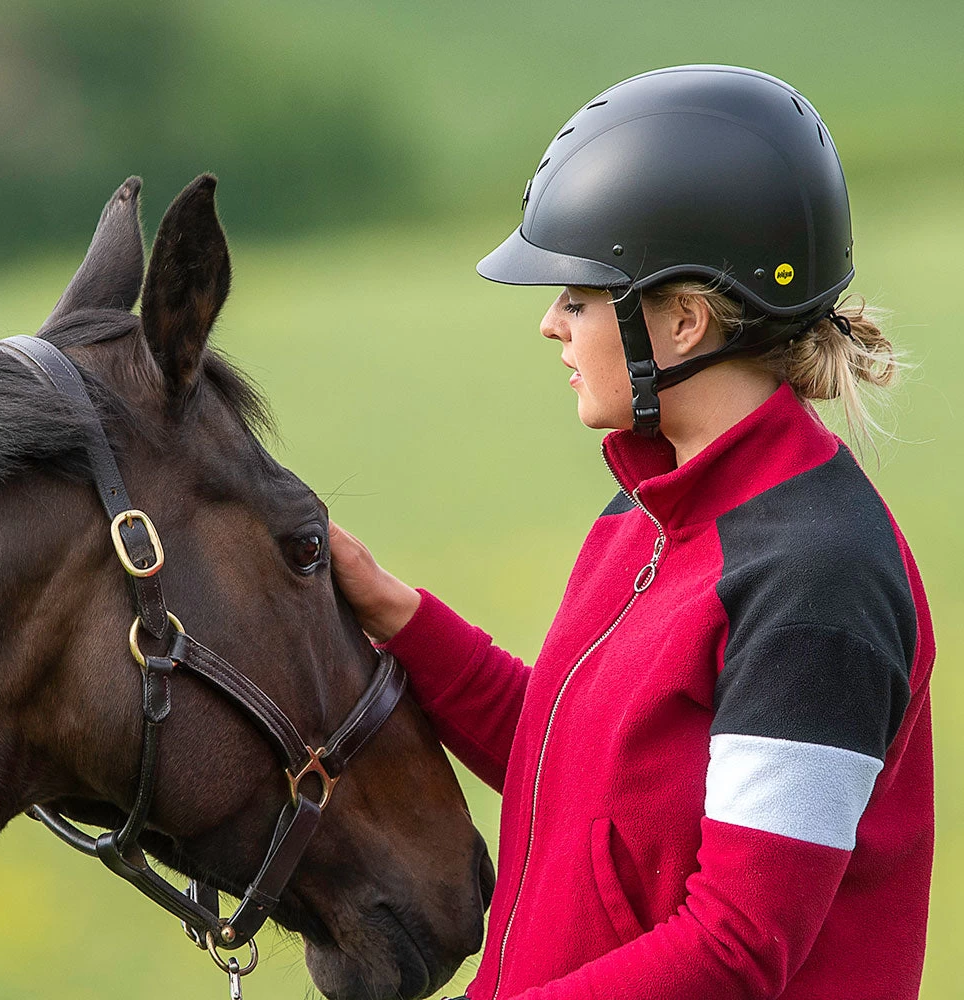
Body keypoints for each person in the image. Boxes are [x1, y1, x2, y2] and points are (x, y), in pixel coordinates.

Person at [329, 65, 935, 1000]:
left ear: (685, 321)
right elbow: (574, 765)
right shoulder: (645, 511)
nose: (549, 324)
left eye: (577, 295)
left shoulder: (820, 578)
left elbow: (738, 946)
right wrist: (398, 614)